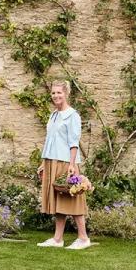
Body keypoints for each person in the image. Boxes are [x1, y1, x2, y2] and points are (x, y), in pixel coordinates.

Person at [37, 80, 90, 249]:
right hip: (52, 161)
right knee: (59, 200)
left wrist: (72, 164)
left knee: (73, 200)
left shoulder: (72, 115)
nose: (55, 96)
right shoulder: (54, 115)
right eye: (53, 93)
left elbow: (73, 142)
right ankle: (58, 239)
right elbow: (50, 140)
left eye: (59, 92)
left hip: (66, 162)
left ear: (66, 94)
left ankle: (83, 238)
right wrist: (43, 163)